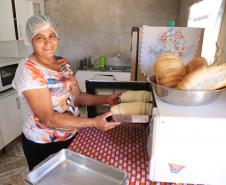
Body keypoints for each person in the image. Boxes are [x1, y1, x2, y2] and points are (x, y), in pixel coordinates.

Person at [12, 14, 121, 171]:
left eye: (52, 36)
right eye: (40, 37)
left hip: (71, 135)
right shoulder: (28, 70)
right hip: (43, 144)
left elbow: (78, 97)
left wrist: (106, 99)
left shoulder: (63, 62)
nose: (48, 42)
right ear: (31, 40)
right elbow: (48, 118)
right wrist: (93, 122)